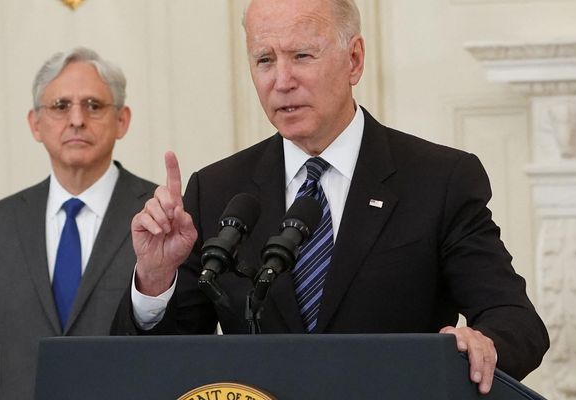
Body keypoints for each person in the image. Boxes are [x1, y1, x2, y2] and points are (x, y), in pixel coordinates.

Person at [130, 0, 549, 394]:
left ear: (354, 60)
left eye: (301, 56)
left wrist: (480, 344)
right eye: (264, 60)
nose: (281, 81)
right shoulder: (218, 190)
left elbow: (516, 321)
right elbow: (165, 360)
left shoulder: (439, 179)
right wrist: (154, 279)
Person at [0, 47, 156, 400]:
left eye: (93, 105)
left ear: (122, 120)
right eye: (60, 106)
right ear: (35, 123)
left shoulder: (158, 216)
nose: (76, 119)